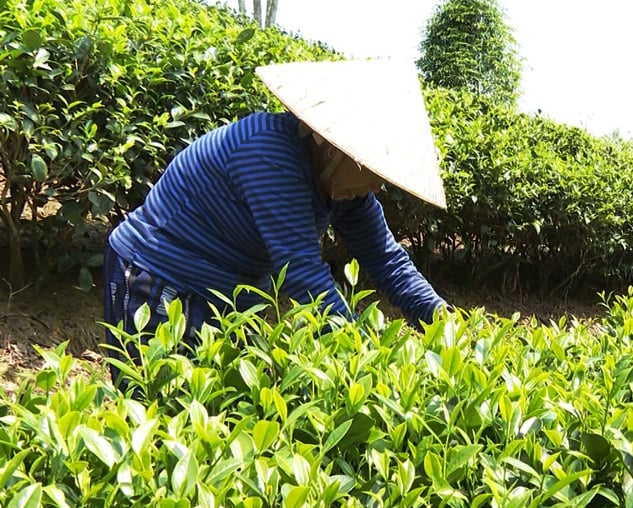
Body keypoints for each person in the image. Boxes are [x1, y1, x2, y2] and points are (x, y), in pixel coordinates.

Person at [102, 59, 449, 379]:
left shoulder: (346, 187)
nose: (376, 184)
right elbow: (303, 276)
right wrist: (369, 363)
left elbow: (388, 262)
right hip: (160, 277)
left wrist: (448, 329)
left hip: (232, 299)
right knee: (158, 408)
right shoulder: (269, 152)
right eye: (370, 168)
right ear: (333, 146)